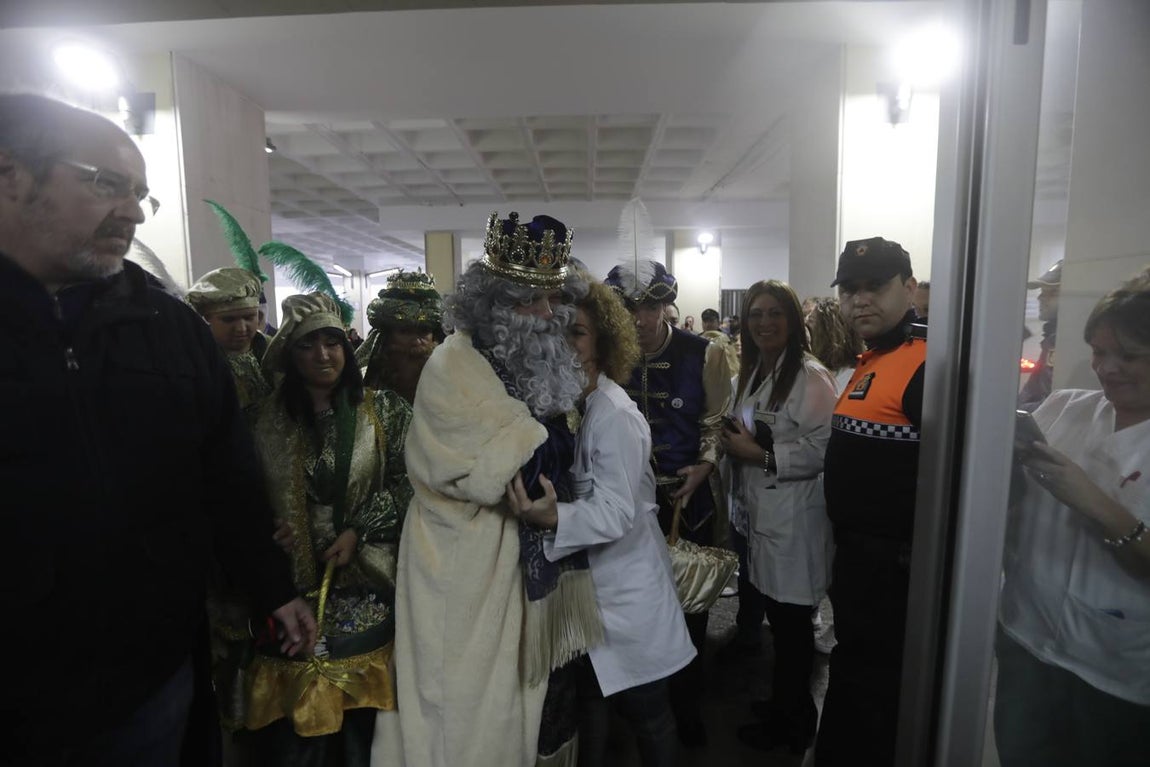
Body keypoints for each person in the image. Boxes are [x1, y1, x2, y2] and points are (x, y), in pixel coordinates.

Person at [0, 93, 314, 766]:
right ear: (12, 176)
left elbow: (227, 477)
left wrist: (273, 587)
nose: (133, 212)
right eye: (105, 184)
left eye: (141, 194)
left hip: (148, 673)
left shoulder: (168, 330)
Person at [392, 212, 595, 767]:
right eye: (531, 301)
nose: (547, 314)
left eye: (551, 298)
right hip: (464, 567)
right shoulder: (453, 366)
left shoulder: (525, 360)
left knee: (539, 708)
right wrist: (556, 437)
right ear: (492, 305)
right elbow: (527, 471)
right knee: (464, 711)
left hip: (520, 564)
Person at [506, 278, 695, 767]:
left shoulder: (615, 415)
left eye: (578, 333)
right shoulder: (579, 407)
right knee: (594, 705)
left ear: (604, 343)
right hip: (597, 598)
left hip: (629, 597)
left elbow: (614, 512)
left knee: (650, 717)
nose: (565, 342)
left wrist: (553, 517)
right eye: (559, 330)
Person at [246, 292, 413, 766]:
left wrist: (360, 529)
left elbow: (411, 483)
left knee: (362, 733)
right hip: (288, 587)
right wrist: (266, 529)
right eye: (308, 345)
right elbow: (240, 496)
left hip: (368, 581)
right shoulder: (260, 421)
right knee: (298, 736)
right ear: (289, 354)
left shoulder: (385, 411)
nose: (323, 355)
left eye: (333, 343)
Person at [995, 271, 1150, 767]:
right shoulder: (1066, 407)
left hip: (1114, 671)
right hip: (1025, 635)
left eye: (1128, 356)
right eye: (1098, 352)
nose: (1106, 368)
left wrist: (1092, 500)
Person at [605, 260, 732, 747]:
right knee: (632, 602)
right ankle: (637, 701)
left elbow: (715, 421)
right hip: (625, 502)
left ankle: (687, 703)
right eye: (629, 308)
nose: (640, 319)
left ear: (666, 305)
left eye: (650, 306)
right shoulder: (607, 354)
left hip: (686, 498)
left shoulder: (704, 353)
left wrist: (705, 464)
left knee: (689, 608)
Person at [816, 236, 926, 767]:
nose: (859, 300)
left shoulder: (926, 363)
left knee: (879, 686)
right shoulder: (874, 358)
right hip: (858, 557)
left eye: (875, 286)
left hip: (895, 566)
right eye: (849, 290)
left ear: (909, 288)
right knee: (855, 667)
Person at [721, 281, 837, 755]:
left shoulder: (810, 377)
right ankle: (783, 706)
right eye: (755, 315)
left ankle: (794, 727)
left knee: (792, 634)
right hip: (762, 517)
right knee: (780, 622)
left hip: (794, 522)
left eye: (774, 313)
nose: (764, 323)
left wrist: (759, 455)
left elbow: (823, 450)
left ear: (791, 319)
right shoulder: (754, 372)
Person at [186, 266, 273, 411]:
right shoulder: (197, 360)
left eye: (248, 317)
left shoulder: (273, 349)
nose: (241, 328)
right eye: (229, 319)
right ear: (207, 319)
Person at [356, 269, 444, 406]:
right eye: (405, 332)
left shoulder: (451, 377)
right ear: (386, 337)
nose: (416, 341)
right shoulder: (366, 386)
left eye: (424, 331)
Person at [1019, 259, 1062, 411]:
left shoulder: (1069, 341)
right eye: (1043, 292)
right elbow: (1032, 390)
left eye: (1052, 292)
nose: (1040, 298)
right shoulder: (1052, 338)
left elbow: (1054, 404)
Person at [805, 296, 864, 393]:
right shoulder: (813, 373)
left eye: (810, 322)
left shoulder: (852, 379)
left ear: (829, 333)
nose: (805, 333)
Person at [701, 306, 740, 375]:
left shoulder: (727, 340)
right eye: (705, 321)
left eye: (711, 321)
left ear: (718, 323)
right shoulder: (698, 340)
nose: (708, 324)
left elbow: (732, 364)